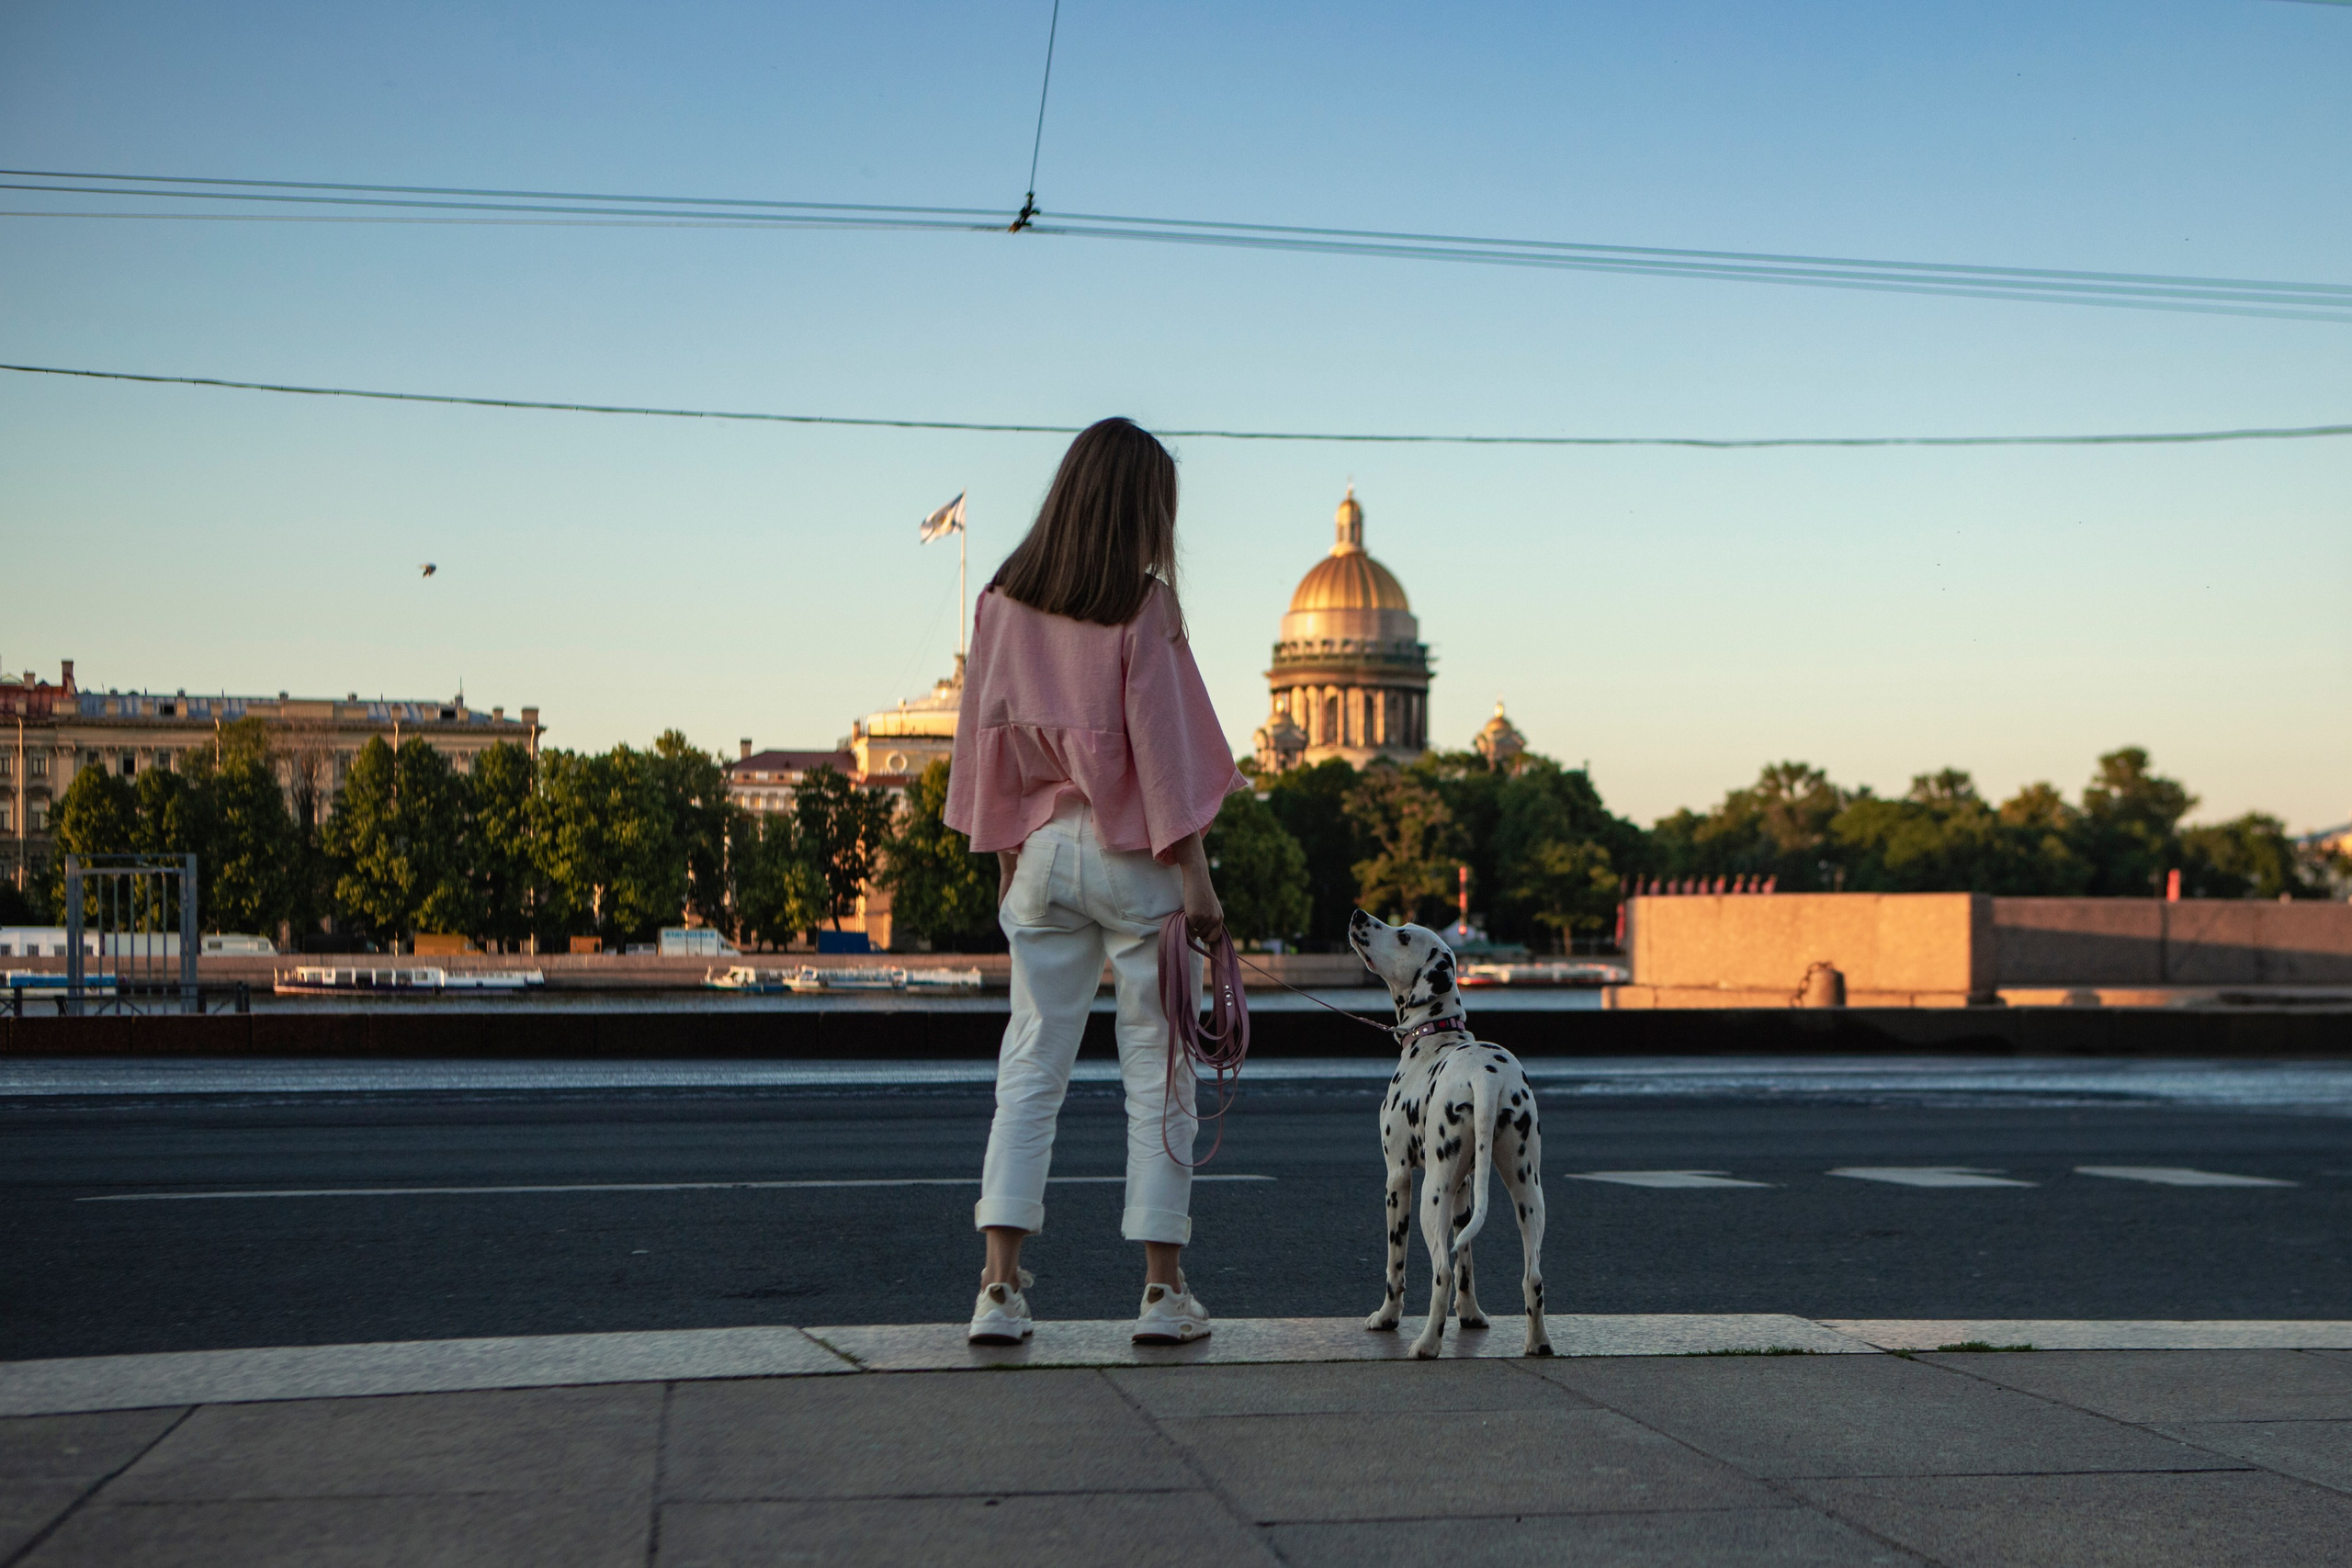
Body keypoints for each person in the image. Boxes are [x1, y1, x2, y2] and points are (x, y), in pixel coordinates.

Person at [945, 416, 1244, 1346]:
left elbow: (983, 743)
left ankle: (998, 1290)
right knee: (1160, 1077)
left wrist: (1006, 863)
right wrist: (1200, 890)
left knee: (1029, 1065)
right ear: (1138, 507)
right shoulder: (1143, 606)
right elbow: (1165, 764)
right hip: (1133, 860)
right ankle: (1163, 1293)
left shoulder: (1000, 599)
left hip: (1037, 850)